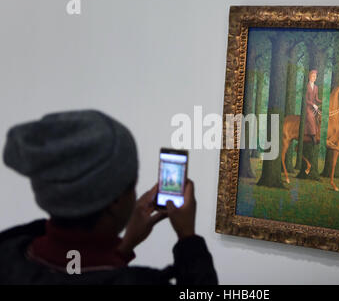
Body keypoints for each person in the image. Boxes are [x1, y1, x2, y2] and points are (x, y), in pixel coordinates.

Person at [0, 110, 218, 284]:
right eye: (131, 185)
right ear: (115, 200)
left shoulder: (10, 255)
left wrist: (123, 247)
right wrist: (188, 238)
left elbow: (75, 271)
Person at [304, 69, 322, 145]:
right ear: (309, 77)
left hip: (315, 107)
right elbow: (306, 99)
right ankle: (313, 135)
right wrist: (313, 105)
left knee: (320, 116)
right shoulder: (307, 86)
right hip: (308, 107)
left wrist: (322, 101)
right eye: (313, 76)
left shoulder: (316, 87)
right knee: (311, 116)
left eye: (315, 76)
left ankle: (319, 134)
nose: (314, 78)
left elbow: (316, 98)